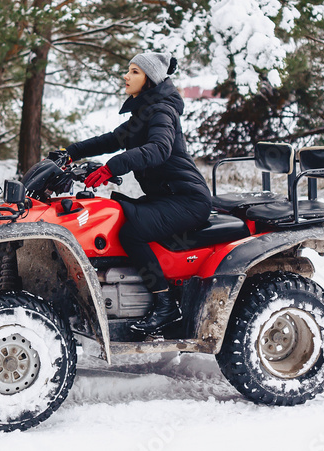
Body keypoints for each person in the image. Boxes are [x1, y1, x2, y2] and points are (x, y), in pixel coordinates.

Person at [59, 52, 212, 335]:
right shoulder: (144, 113)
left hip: (187, 200)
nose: (126, 76)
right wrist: (71, 152)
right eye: (128, 70)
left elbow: (159, 149)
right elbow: (111, 140)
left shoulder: (162, 111)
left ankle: (165, 304)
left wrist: (113, 167)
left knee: (131, 231)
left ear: (150, 79)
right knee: (112, 213)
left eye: (134, 71)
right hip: (167, 197)